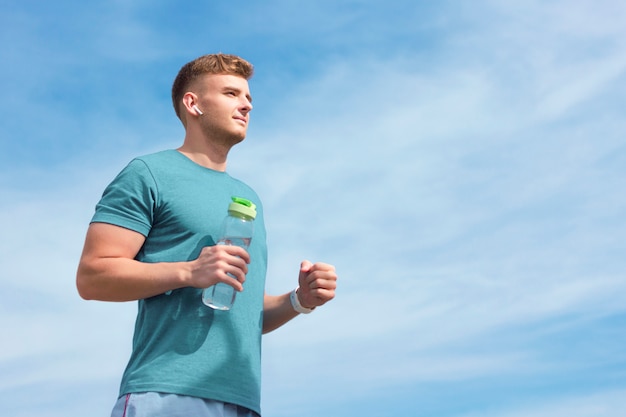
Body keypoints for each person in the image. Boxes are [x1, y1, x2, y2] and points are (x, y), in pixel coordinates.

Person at [76, 53, 338, 417]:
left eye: (248, 98)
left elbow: (243, 311)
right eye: (231, 93)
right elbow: (92, 277)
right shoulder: (148, 173)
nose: (246, 105)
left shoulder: (249, 199)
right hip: (167, 394)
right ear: (193, 103)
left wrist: (300, 299)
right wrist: (187, 272)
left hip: (244, 401)